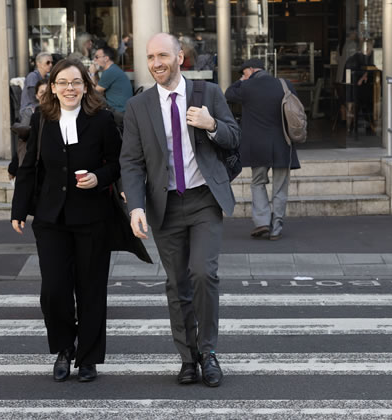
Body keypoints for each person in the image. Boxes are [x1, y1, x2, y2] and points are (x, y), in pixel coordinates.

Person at [120, 33, 240, 387]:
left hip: (204, 199)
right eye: (150, 57)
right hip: (165, 205)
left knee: (203, 273)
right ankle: (188, 358)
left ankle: (209, 352)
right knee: (177, 283)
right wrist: (135, 207)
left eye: (163, 56)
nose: (156, 63)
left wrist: (212, 125)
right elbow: (131, 162)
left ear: (180, 58)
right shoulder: (138, 106)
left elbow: (235, 137)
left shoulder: (209, 94)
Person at [11, 58, 121, 383]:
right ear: (53, 87)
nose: (69, 88)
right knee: (54, 291)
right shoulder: (41, 118)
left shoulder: (102, 120)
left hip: (92, 218)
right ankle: (64, 347)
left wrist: (99, 177)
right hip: (51, 218)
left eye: (75, 82)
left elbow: (118, 162)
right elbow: (29, 167)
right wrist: (19, 209)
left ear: (86, 86)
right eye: (62, 82)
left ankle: (88, 358)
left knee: (91, 290)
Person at [225, 58, 300, 241]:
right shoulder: (284, 84)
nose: (243, 76)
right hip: (283, 143)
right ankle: (276, 228)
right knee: (280, 187)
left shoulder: (246, 87)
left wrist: (241, 81)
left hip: (257, 146)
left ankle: (262, 222)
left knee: (258, 182)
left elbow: (228, 94)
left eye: (243, 73)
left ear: (251, 70)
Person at [8, 79, 49, 181]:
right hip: (32, 162)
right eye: (42, 92)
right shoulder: (31, 113)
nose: (45, 95)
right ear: (36, 96)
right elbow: (24, 141)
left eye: (47, 92)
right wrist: (14, 166)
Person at [90, 46, 133, 118]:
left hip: (118, 112)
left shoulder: (110, 71)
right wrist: (96, 73)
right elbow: (99, 88)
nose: (94, 60)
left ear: (106, 58)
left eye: (97, 57)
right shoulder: (112, 69)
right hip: (120, 110)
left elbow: (94, 93)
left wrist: (92, 73)